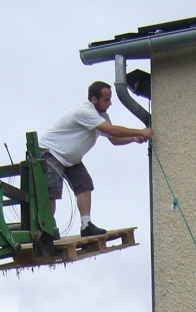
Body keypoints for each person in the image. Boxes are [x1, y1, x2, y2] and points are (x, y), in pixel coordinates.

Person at [38, 82, 153, 238]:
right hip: (51, 152)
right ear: (94, 99)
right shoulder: (86, 111)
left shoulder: (101, 116)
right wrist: (141, 131)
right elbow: (111, 130)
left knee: (84, 184)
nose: (110, 103)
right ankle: (47, 230)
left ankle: (86, 225)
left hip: (70, 158)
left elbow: (113, 139)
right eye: (106, 99)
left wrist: (133, 138)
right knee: (51, 192)